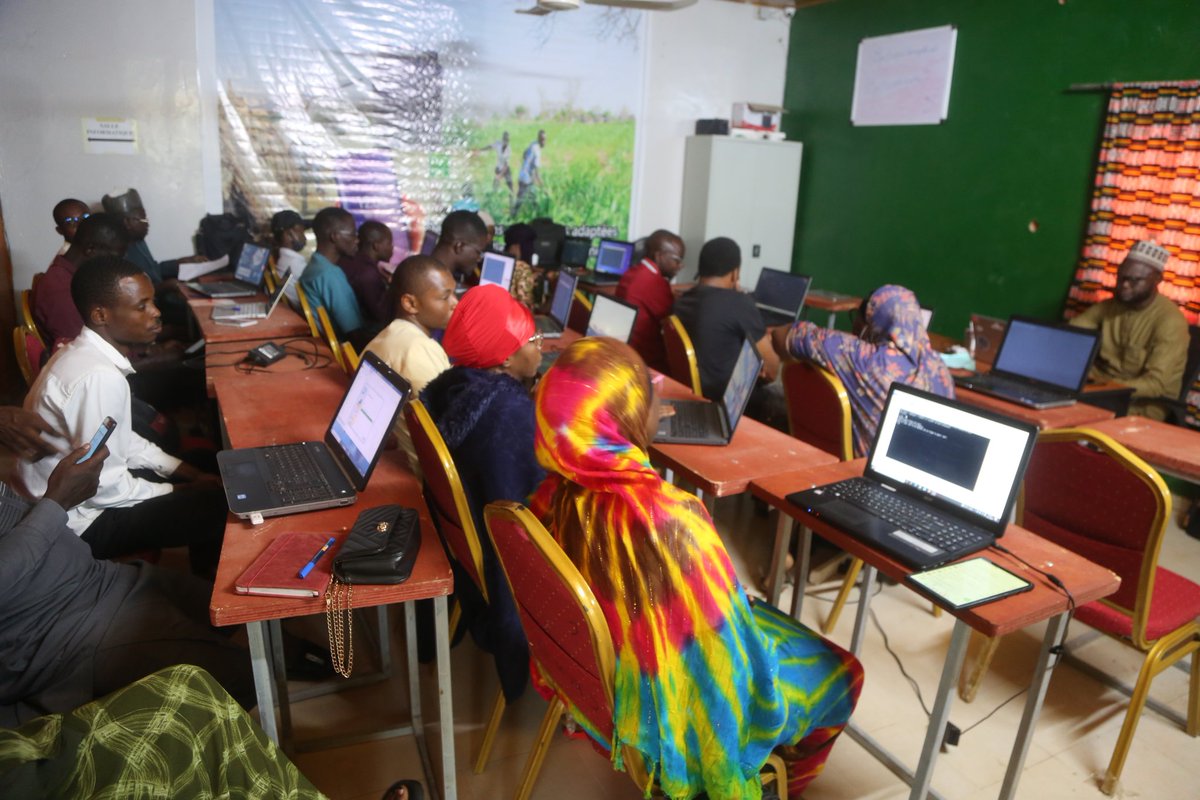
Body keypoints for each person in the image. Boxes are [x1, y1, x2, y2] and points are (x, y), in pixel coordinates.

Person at [529, 338, 863, 800]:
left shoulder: (550, 497)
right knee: (844, 671)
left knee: (747, 607)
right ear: (623, 419)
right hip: (657, 703)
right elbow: (734, 668)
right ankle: (776, 783)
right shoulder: (671, 524)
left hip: (605, 686)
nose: (658, 405)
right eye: (649, 395)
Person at [0, 410, 252, 725]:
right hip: (65, 632)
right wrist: (57, 501)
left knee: (232, 615)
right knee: (241, 679)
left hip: (104, 578)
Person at [18, 256, 227, 576]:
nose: (155, 312)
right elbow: (105, 486)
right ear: (101, 315)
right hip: (78, 522)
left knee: (207, 463)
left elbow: (120, 438)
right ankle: (205, 597)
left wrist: (183, 470)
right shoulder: (99, 377)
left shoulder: (84, 354)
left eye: (152, 302)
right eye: (142, 306)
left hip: (85, 495)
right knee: (218, 506)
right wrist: (180, 490)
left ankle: (204, 568)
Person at [420, 284, 543, 702]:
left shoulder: (452, 388)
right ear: (505, 358)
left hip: (472, 560)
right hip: (512, 562)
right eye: (533, 339)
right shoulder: (510, 416)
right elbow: (540, 501)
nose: (540, 347)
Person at [775, 284, 954, 456]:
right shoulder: (940, 370)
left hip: (862, 472)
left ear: (869, 324)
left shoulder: (861, 357)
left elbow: (782, 335)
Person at [1069, 239, 1189, 419]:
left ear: (1157, 279)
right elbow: (1071, 333)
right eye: (1121, 278)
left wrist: (1100, 388)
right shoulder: (1111, 305)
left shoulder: (1170, 321)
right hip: (1100, 392)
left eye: (1135, 280)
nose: (1124, 285)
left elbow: (1154, 385)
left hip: (1140, 404)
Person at [673, 237, 783, 426]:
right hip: (731, 404)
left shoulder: (680, 303)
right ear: (735, 273)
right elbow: (772, 370)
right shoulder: (740, 304)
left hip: (691, 394)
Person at [364, 255, 457, 477]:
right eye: (445, 297)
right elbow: (454, 424)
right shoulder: (419, 350)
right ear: (410, 304)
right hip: (419, 474)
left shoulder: (387, 335)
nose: (455, 303)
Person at [33, 212, 128, 344]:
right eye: (115, 258)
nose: (116, 264)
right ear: (91, 249)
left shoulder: (79, 277)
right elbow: (85, 348)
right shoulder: (61, 290)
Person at [616, 229, 685, 372]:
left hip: (623, 351)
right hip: (646, 363)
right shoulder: (655, 283)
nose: (680, 266)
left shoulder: (633, 272)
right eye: (677, 260)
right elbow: (672, 319)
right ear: (659, 256)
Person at [301, 207, 370, 346]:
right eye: (353, 234)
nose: (357, 240)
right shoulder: (329, 274)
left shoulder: (314, 265)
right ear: (335, 236)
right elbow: (354, 334)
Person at [339, 220, 393, 325]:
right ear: (376, 246)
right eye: (389, 243)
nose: (392, 248)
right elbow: (381, 314)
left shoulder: (349, 261)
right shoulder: (367, 273)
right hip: (366, 329)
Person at [430, 209, 489, 289]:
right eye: (478, 252)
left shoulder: (427, 275)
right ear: (459, 246)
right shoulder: (432, 287)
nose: (479, 259)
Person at [501, 221, 538, 307]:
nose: (532, 249)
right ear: (516, 246)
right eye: (528, 244)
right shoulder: (523, 269)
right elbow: (526, 307)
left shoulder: (500, 261)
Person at [513, 129, 546, 216]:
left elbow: (524, 154)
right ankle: (513, 215)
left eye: (545, 139)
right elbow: (537, 174)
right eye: (542, 140)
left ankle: (538, 214)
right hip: (526, 178)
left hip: (523, 175)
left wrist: (527, 165)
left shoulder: (533, 143)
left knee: (531, 198)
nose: (544, 142)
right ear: (539, 139)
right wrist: (544, 187)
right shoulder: (537, 152)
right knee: (522, 199)